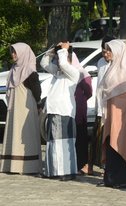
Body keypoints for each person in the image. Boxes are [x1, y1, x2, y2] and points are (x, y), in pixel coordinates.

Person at [99, 40, 126, 189]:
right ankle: (112, 177)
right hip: (113, 111)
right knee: (113, 141)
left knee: (124, 142)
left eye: (110, 50)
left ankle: (124, 178)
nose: (108, 53)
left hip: (125, 112)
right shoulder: (111, 69)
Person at [40, 42, 80, 180]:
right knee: (53, 143)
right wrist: (53, 50)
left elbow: (64, 64)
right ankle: (53, 170)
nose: (58, 61)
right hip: (53, 111)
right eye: (57, 58)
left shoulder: (74, 72)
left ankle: (66, 172)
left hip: (64, 112)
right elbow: (44, 63)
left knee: (64, 143)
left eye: (60, 57)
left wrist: (64, 50)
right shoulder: (57, 73)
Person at [0, 43, 42, 174]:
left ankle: (27, 166)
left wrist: (39, 103)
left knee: (25, 134)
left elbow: (36, 91)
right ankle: (12, 164)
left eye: (15, 52)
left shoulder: (29, 71)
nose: (13, 55)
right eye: (12, 52)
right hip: (15, 108)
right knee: (15, 132)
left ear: (23, 53)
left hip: (25, 107)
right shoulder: (14, 69)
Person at [83, 35, 116, 176]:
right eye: (104, 51)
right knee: (97, 139)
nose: (106, 54)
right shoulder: (101, 62)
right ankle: (93, 165)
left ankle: (108, 166)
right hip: (100, 106)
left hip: (113, 107)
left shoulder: (119, 63)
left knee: (110, 138)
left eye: (109, 51)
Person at [72, 54, 93, 174]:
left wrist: (80, 98)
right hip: (69, 108)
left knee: (80, 136)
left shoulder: (83, 73)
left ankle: (81, 163)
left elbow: (89, 91)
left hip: (79, 108)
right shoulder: (64, 72)